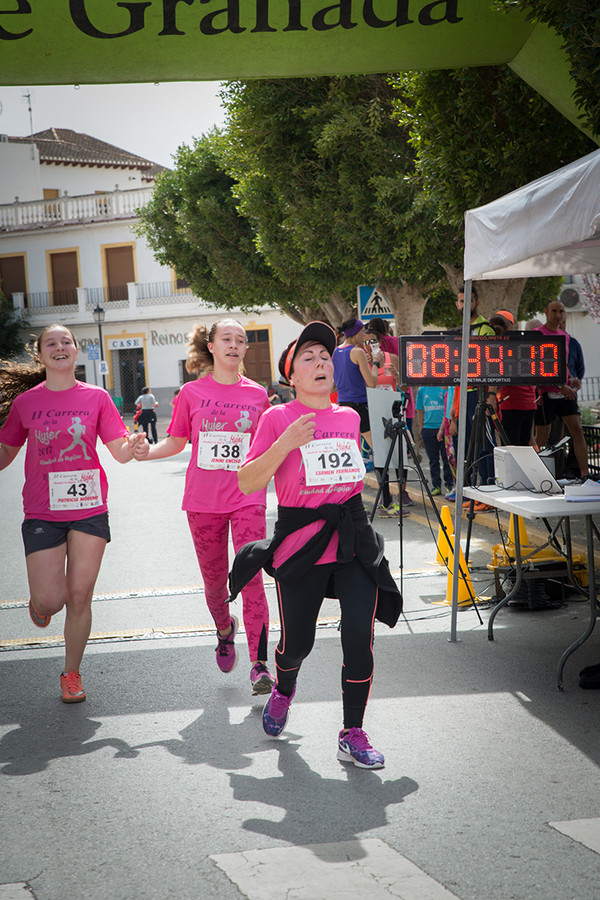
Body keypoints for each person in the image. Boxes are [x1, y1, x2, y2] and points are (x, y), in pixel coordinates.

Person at [230, 322, 402, 769]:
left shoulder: (348, 417)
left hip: (352, 537)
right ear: (292, 376)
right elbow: (247, 480)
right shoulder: (276, 419)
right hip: (302, 544)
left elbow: (349, 475)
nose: (321, 362)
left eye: (325, 356)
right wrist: (284, 443)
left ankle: (352, 732)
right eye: (308, 358)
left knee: (359, 637)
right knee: (297, 644)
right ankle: (284, 689)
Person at [0, 324, 146, 703]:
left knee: (80, 595)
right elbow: (6, 452)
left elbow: (118, 449)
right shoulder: (26, 403)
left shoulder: (96, 397)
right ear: (40, 354)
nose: (60, 347)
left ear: (76, 350)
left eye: (66, 341)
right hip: (42, 511)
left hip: (89, 507)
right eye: (51, 343)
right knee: (51, 601)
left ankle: (71, 673)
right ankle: (40, 603)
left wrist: (134, 446)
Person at [133, 319, 274, 695]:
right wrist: (147, 453)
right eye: (226, 338)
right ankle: (225, 630)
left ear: (245, 350)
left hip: (247, 498)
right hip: (203, 501)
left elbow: (266, 447)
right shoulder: (192, 393)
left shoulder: (258, 395)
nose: (234, 344)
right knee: (215, 585)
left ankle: (259, 665)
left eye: (240, 340)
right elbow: (176, 441)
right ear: (211, 346)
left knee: (251, 578)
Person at [534, 299, 588, 478]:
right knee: (542, 437)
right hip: (545, 393)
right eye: (554, 311)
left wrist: (572, 379)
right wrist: (560, 385)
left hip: (565, 394)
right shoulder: (538, 334)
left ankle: (585, 474)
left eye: (561, 311)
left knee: (577, 430)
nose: (558, 315)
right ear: (546, 312)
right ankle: (533, 474)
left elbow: (563, 364)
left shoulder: (565, 336)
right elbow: (540, 364)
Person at [455, 284, 496, 502]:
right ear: (457, 304)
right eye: (461, 301)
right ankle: (472, 491)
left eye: (469, 301)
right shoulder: (458, 330)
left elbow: (493, 365)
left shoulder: (485, 328)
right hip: (464, 394)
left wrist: (491, 395)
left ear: (476, 303)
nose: (465, 305)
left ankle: (490, 488)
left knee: (486, 444)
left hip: (481, 394)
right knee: (468, 445)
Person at [332, 318, 383, 462]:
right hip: (359, 405)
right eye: (362, 332)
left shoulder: (335, 351)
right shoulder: (358, 352)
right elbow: (371, 383)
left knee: (348, 449)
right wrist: (376, 362)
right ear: (355, 334)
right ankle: (383, 476)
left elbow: (332, 387)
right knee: (379, 449)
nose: (364, 336)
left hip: (342, 405)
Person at [493, 309, 537, 447]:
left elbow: (498, 382)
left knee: (511, 448)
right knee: (524, 446)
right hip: (529, 403)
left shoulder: (499, 347)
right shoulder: (523, 344)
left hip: (510, 404)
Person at [415, 386, 454, 497]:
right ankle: (436, 485)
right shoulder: (422, 390)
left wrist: (442, 428)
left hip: (443, 428)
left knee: (447, 459)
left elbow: (447, 409)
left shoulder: (444, 388)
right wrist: (422, 429)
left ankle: (449, 484)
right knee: (433, 460)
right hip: (428, 429)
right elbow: (420, 411)